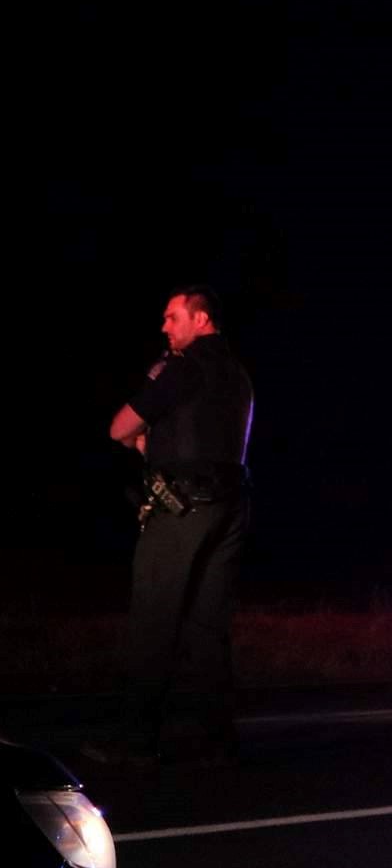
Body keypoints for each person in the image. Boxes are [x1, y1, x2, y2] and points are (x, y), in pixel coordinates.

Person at [85, 286, 254, 770]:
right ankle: (217, 741)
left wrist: (141, 434)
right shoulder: (239, 375)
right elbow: (206, 439)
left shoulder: (184, 368)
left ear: (201, 319)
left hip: (179, 508)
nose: (165, 326)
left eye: (172, 316)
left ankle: (136, 742)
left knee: (152, 622)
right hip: (230, 506)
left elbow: (119, 428)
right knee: (208, 626)